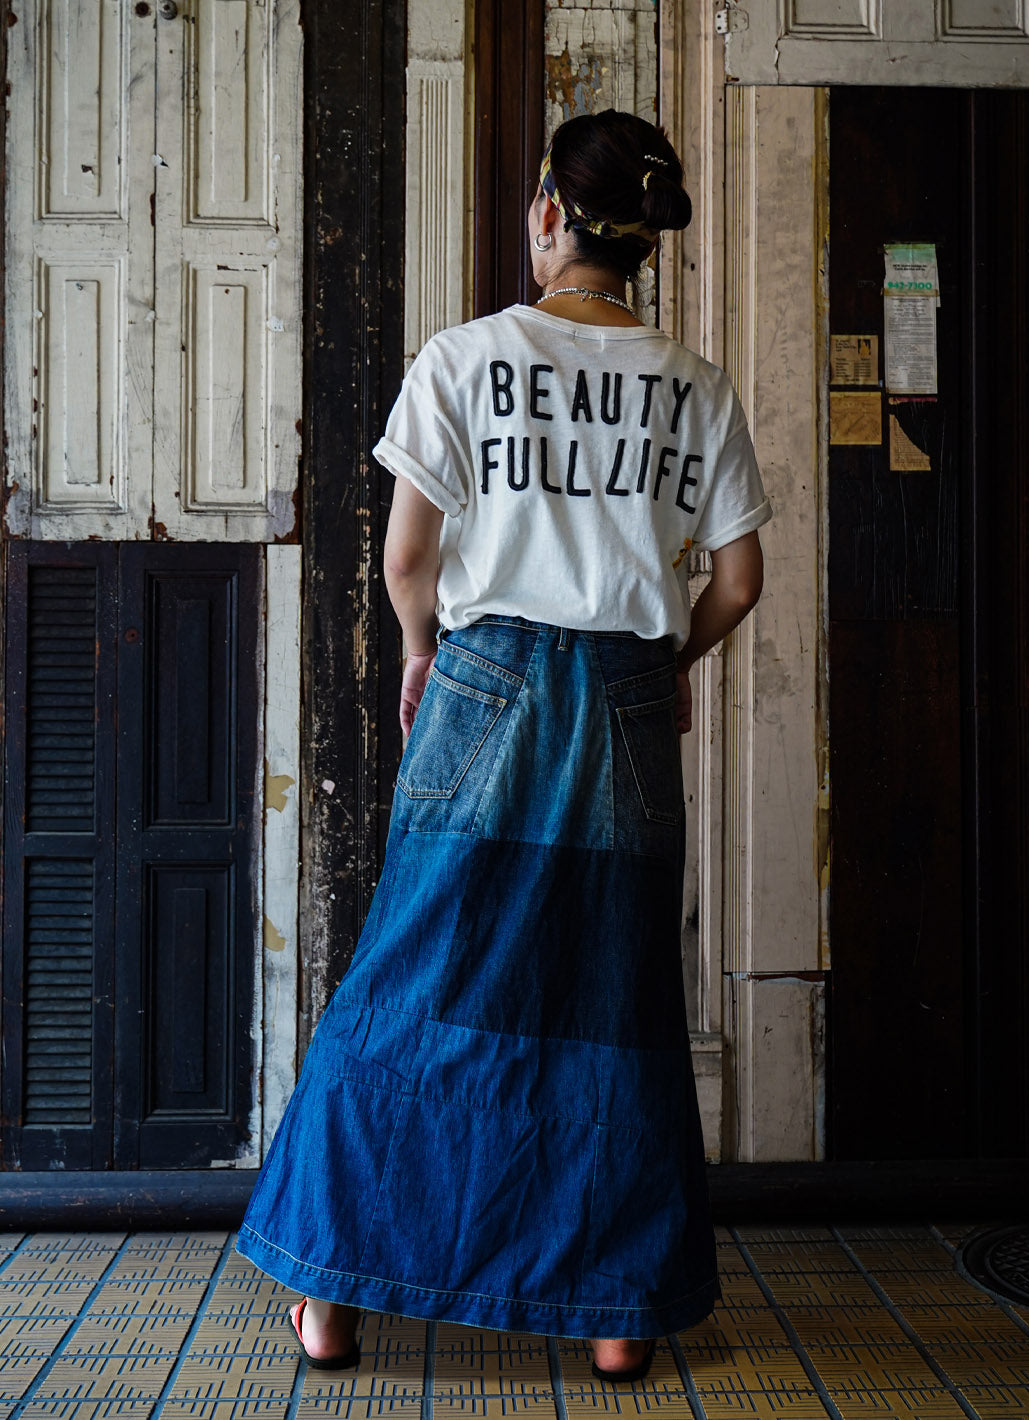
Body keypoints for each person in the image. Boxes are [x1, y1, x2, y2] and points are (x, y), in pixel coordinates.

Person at [236, 108, 771, 1384]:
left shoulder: (465, 358)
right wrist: (658, 669)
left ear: (546, 215)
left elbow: (407, 557)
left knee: (412, 979)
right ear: (641, 244)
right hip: (626, 697)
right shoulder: (692, 384)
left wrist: (425, 650)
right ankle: (616, 1312)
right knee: (612, 1000)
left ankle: (330, 1291)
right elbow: (739, 582)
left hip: (483, 687)